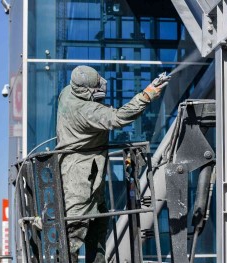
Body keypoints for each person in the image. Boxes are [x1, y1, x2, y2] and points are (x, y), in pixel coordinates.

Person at [55, 65, 169, 263]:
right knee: (74, 231)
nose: (101, 87)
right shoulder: (86, 110)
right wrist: (147, 95)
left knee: (98, 222)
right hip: (81, 178)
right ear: (85, 91)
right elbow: (118, 118)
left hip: (87, 174)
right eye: (96, 86)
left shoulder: (67, 93)